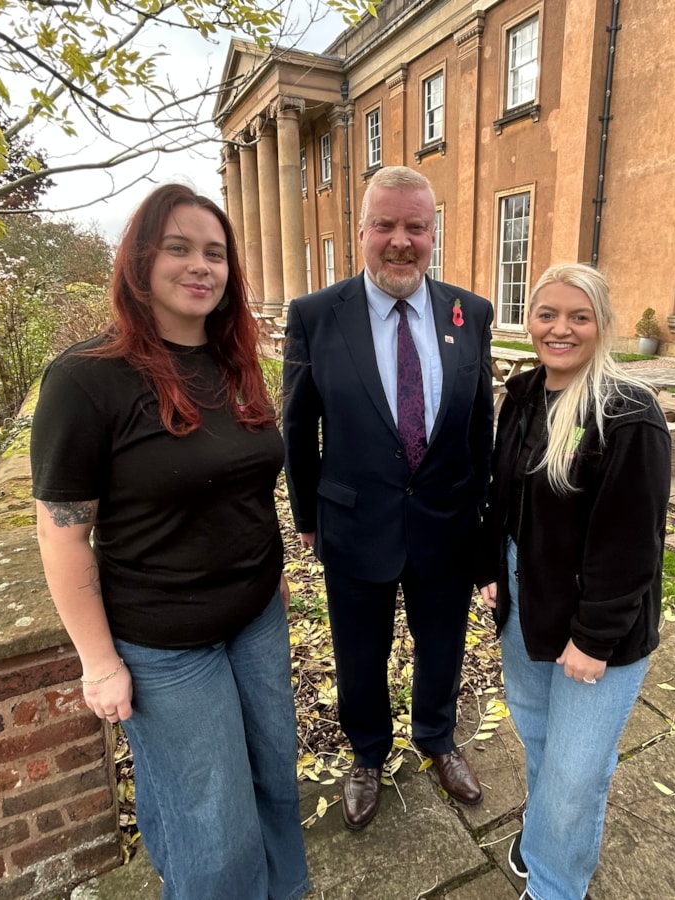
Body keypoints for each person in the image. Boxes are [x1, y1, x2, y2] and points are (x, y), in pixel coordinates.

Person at [30, 184, 307, 900]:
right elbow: (63, 536)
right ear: (140, 261)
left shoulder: (234, 362)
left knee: (274, 774)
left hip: (256, 616)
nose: (200, 266)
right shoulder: (86, 379)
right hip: (165, 642)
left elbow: (243, 481)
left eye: (215, 253)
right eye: (178, 248)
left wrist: (267, 564)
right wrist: (98, 663)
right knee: (208, 819)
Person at [283, 165, 494, 830]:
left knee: (443, 646)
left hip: (445, 523)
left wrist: (482, 518)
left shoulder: (471, 313)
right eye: (386, 226)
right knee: (358, 655)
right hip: (354, 523)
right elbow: (297, 426)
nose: (400, 241)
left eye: (416, 227)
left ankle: (437, 737)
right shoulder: (316, 316)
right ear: (362, 231)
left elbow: (480, 425)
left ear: (434, 232)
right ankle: (368, 753)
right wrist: (308, 515)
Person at [477, 264, 671, 900]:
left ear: (602, 325)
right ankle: (541, 841)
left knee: (574, 770)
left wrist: (593, 638)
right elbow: (501, 494)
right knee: (537, 736)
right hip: (523, 597)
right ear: (529, 321)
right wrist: (489, 570)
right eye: (547, 315)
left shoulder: (626, 413)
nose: (560, 329)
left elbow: (631, 545)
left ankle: (557, 885)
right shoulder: (526, 391)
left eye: (578, 317)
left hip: (598, 620)